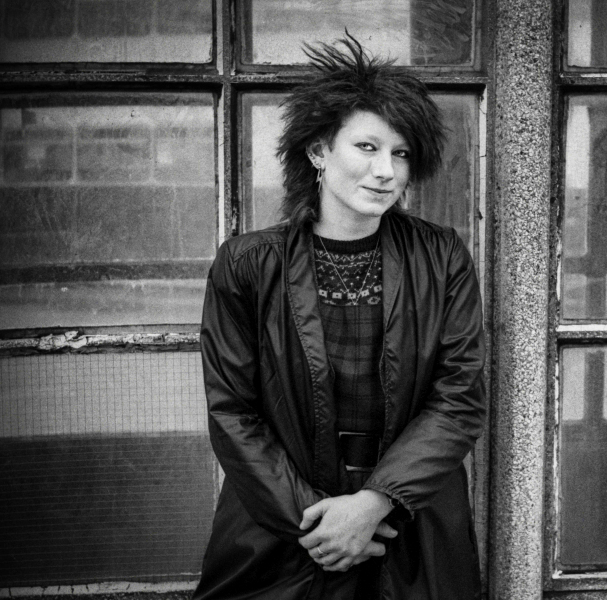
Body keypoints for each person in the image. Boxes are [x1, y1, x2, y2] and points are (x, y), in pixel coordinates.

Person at [193, 35, 485, 600]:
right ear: (319, 151)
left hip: (409, 519)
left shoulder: (443, 255)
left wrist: (374, 506)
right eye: (368, 147)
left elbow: (460, 395)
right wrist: (320, 524)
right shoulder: (249, 263)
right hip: (281, 524)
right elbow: (232, 409)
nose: (385, 171)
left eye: (400, 154)